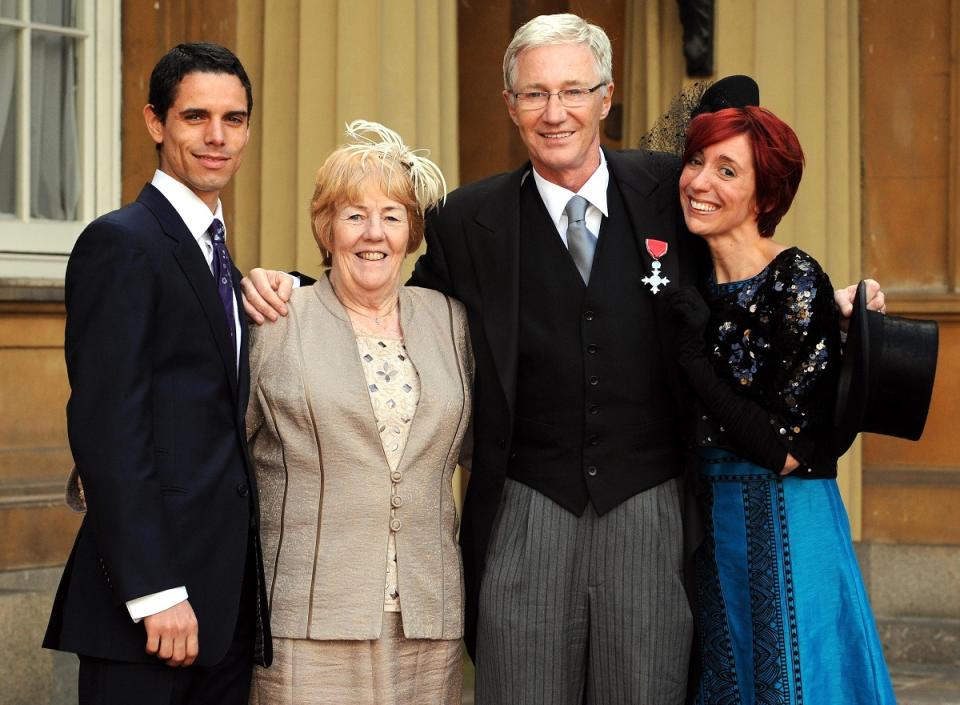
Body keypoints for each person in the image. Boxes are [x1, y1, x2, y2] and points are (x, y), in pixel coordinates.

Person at [240, 16, 885, 705]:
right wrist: (294, 289)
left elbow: (741, 264)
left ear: (606, 97)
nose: (556, 113)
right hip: (526, 506)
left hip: (652, 503)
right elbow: (389, 303)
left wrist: (829, 302)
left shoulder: (672, 188)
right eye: (535, 94)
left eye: (574, 91)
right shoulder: (467, 219)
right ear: (510, 106)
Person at [43, 43, 271, 705]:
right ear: (155, 121)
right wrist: (157, 590)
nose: (216, 136)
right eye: (196, 116)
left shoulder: (220, 257)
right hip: (150, 610)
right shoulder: (123, 242)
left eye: (234, 119)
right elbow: (108, 428)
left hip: (221, 611)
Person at [668, 106, 896, 704]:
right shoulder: (691, 282)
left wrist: (694, 361)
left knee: (795, 680)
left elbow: (788, 451)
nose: (700, 182)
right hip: (711, 527)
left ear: (764, 196)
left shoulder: (793, 279)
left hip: (786, 519)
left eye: (727, 171)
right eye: (696, 162)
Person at [245, 121, 472, 705]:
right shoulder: (276, 320)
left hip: (428, 617)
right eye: (354, 215)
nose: (374, 234)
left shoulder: (451, 321)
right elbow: (215, 448)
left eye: (392, 215)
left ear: (411, 232)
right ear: (326, 228)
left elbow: (484, 450)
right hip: (309, 616)